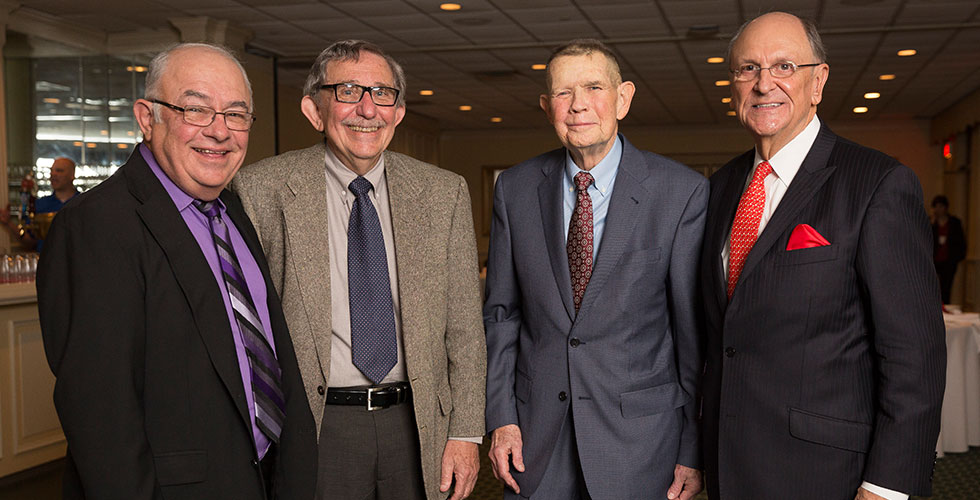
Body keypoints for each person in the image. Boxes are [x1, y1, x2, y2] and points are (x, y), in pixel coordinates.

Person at [37, 43, 316, 499]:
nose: (219, 131)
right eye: (196, 109)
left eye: (235, 114)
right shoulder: (97, 224)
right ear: (148, 118)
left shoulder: (232, 212)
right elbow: (101, 419)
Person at [699, 12, 945, 500]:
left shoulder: (877, 183)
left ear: (819, 81)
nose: (764, 83)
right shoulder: (719, 187)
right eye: (747, 69)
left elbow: (914, 355)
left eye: (784, 66)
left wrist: (887, 486)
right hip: (728, 466)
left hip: (827, 474)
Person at [232, 40, 486, 500]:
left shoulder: (442, 192)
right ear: (314, 110)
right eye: (348, 91)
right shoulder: (260, 190)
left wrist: (466, 433)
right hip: (317, 425)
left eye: (382, 93)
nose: (367, 109)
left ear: (399, 111)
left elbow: (465, 327)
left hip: (419, 424)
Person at [484, 39, 706, 500]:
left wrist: (692, 445)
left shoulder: (680, 193)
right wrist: (502, 417)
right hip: (535, 440)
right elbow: (502, 315)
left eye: (593, 87)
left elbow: (691, 335)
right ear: (548, 107)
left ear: (623, 98)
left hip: (641, 446)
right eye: (564, 93)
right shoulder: (515, 189)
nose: (578, 105)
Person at [1, 157, 79, 251]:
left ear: (72, 175)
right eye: (51, 171)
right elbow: (29, 242)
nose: (53, 174)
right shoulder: (39, 205)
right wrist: (8, 223)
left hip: (77, 263)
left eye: (59, 171)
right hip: (46, 263)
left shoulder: (83, 203)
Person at [931, 194, 966, 304]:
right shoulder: (931, 223)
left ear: (945, 207)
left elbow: (960, 242)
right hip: (934, 261)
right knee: (932, 287)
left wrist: (957, 258)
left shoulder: (954, 223)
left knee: (946, 288)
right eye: (936, 207)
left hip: (949, 261)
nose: (938, 209)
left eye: (940, 206)